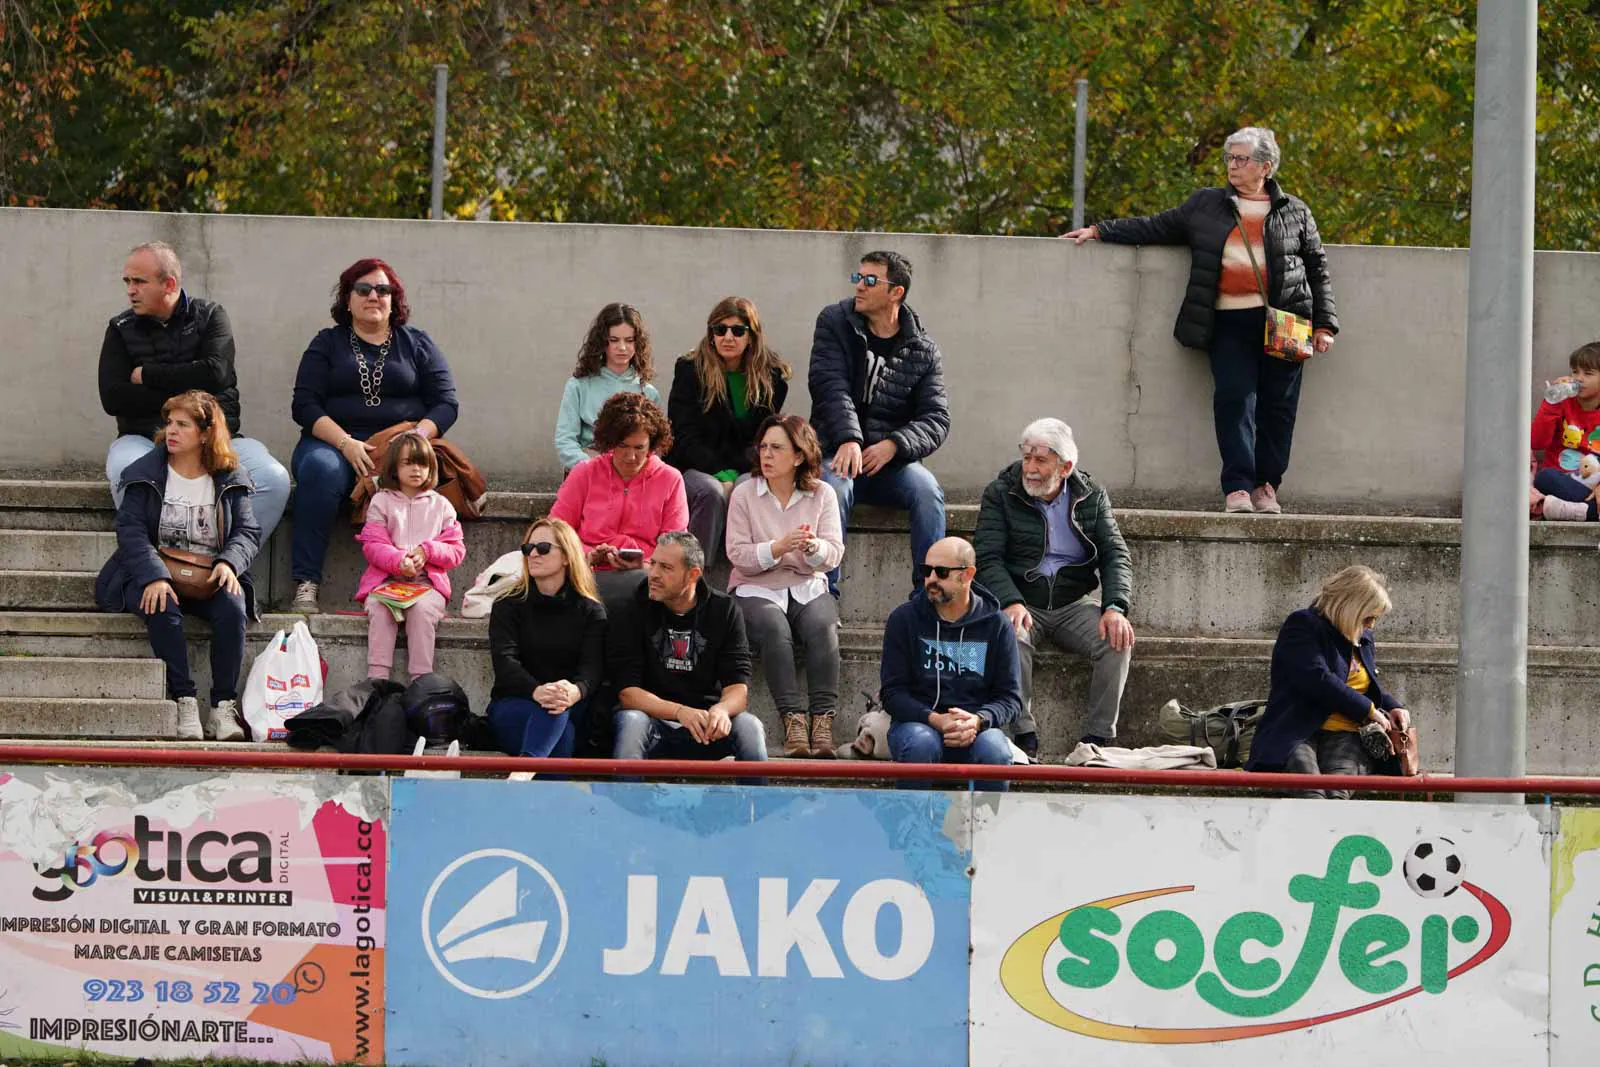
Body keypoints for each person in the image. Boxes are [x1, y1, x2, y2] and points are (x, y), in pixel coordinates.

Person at [1064, 127, 1338, 514]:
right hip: (1228, 320)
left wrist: (1325, 325)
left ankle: (1266, 487)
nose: (1232, 166)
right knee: (1233, 400)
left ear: (1266, 166)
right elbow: (1156, 226)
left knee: (1279, 408)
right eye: (1229, 158)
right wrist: (1100, 230)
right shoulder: (1207, 204)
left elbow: (1317, 267)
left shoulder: (1295, 210)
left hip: (1286, 320)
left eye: (1241, 159)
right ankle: (1238, 488)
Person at [289, 257, 460, 614]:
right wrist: (345, 443)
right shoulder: (327, 343)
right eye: (363, 289)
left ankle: (419, 581)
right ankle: (307, 582)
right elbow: (304, 405)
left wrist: (412, 441)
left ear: (394, 299)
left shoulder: (416, 342)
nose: (374, 296)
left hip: (403, 444)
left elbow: (445, 403)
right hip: (333, 442)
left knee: (416, 475)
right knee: (320, 473)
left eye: (383, 290)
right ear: (347, 298)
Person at [93, 390, 261, 742]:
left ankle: (222, 707)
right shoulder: (145, 472)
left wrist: (230, 563)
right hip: (151, 571)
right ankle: (184, 698)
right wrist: (154, 576)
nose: (171, 430)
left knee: (232, 606)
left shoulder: (229, 475)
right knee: (162, 605)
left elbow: (247, 530)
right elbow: (131, 530)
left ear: (205, 433)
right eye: (169, 423)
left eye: (182, 425)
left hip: (207, 573)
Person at [99, 241, 290, 541]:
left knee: (273, 479)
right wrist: (192, 395)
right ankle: (156, 568)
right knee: (127, 470)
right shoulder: (120, 328)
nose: (130, 290)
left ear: (169, 284)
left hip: (215, 439)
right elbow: (113, 397)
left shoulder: (211, 316)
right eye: (127, 281)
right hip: (144, 439)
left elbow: (217, 372)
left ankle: (225, 566)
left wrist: (149, 375)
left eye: (139, 281)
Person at [975, 418, 1134, 758]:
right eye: (1026, 457)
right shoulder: (1000, 493)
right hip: (1022, 601)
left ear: (1065, 467)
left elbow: (1115, 553)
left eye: (1040, 460)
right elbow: (987, 558)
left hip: (1073, 603)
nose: (1029, 468)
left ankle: (1097, 739)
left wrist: (1115, 606)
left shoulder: (1092, 496)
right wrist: (1010, 601)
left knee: (1117, 639)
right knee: (1009, 632)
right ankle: (1023, 734)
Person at [808, 250, 949, 594]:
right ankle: (825, 594)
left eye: (871, 280)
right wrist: (849, 438)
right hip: (837, 451)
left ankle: (928, 595)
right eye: (858, 278)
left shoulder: (922, 349)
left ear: (895, 292)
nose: (859, 287)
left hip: (890, 463)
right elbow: (829, 385)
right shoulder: (834, 322)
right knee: (832, 489)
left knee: (927, 491)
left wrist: (895, 445)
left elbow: (937, 418)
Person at [725, 415, 844, 758]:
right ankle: (793, 721)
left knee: (823, 627)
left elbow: (833, 553)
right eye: (763, 447)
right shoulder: (746, 492)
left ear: (798, 456)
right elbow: (736, 554)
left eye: (776, 448)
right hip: (754, 586)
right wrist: (778, 547)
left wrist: (812, 548)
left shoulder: (822, 494)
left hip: (807, 582)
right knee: (776, 631)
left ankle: (822, 724)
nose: (766, 454)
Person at [1247, 565, 1412, 799]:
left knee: (1337, 795)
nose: (1371, 625)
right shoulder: (1303, 625)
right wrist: (1368, 710)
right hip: (1300, 730)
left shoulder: (1363, 637)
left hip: (1349, 733)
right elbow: (1318, 679)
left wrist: (1394, 706)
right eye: (1368, 617)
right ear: (1350, 608)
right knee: (1310, 794)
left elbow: (1363, 684)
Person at [609, 532, 767, 764]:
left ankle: (756, 801)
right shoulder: (631, 608)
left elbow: (737, 688)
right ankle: (625, 800)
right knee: (632, 722)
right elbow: (628, 693)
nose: (653, 574)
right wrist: (680, 712)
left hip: (706, 724)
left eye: (665, 567)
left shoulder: (724, 610)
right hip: (652, 721)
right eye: (652, 563)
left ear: (693, 574)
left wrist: (722, 710)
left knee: (750, 726)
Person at [880, 537, 1022, 791]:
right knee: (920, 743)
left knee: (995, 751)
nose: (931, 579)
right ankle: (912, 828)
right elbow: (892, 694)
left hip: (976, 730)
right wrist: (936, 719)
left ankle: (985, 828)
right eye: (926, 571)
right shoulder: (903, 619)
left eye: (942, 572)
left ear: (967, 575)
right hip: (919, 725)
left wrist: (978, 720)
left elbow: (1011, 698)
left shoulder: (997, 625)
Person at [666, 296, 791, 565]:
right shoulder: (689, 370)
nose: (728, 337)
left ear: (752, 336)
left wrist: (734, 473)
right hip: (695, 466)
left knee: (749, 487)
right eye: (720, 329)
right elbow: (683, 437)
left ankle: (752, 570)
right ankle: (695, 575)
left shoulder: (771, 378)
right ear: (711, 334)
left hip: (745, 467)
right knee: (711, 492)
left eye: (738, 330)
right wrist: (720, 472)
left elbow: (763, 440)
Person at [550, 392, 689, 609]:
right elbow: (556, 531)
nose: (630, 456)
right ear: (610, 442)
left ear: (652, 446)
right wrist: (589, 555)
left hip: (647, 575)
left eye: (639, 448)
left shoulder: (670, 479)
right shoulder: (585, 472)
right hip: (585, 571)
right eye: (622, 446)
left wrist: (643, 563)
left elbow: (674, 545)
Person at [486, 516, 607, 760]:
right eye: (528, 548)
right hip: (515, 704)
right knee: (560, 728)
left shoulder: (591, 612)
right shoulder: (507, 605)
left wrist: (575, 691)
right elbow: (505, 663)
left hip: (571, 704)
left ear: (566, 557)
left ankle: (524, 773)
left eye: (543, 548)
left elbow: (592, 669)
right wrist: (536, 690)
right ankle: (530, 774)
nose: (533, 554)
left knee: (558, 712)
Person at [354, 432, 466, 681]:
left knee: (423, 610)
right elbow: (372, 544)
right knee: (379, 607)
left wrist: (428, 551)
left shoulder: (441, 506)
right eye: (408, 463)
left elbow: (456, 551)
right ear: (394, 467)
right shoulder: (381, 502)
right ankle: (378, 678)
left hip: (428, 585)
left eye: (423, 463)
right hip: (386, 583)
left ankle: (421, 679)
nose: (416, 470)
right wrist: (398, 560)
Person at [554, 303, 660, 473]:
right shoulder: (578, 386)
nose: (622, 347)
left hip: (633, 474)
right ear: (602, 342)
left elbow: (655, 448)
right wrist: (594, 466)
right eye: (614, 340)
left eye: (629, 340)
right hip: (588, 472)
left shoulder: (648, 392)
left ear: (638, 343)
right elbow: (565, 441)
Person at [1529, 341, 1600, 521]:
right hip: (1560, 481)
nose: (1579, 378)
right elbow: (1536, 442)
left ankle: (1571, 510)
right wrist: (1552, 401)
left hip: (1594, 486)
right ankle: (1589, 512)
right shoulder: (1562, 403)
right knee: (1545, 477)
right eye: (1575, 372)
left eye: (1588, 373)